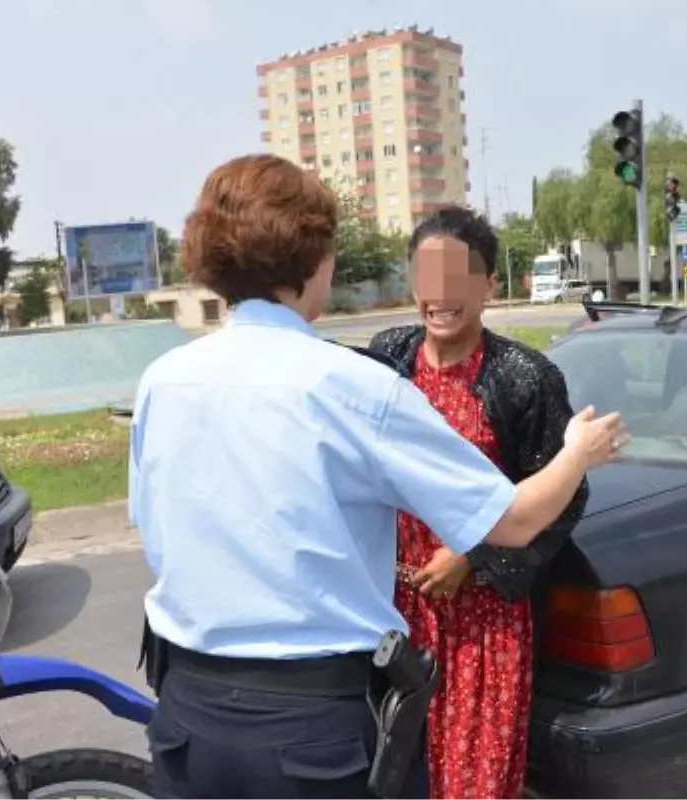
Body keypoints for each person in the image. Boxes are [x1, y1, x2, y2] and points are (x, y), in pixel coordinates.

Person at [129, 154, 628, 800]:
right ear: (316, 260)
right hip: (309, 729)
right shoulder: (358, 384)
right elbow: (515, 519)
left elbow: (154, 528)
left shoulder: (164, 381)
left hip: (188, 717)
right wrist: (579, 451)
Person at [368, 206, 586, 800]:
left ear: (490, 285)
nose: (440, 296)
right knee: (392, 778)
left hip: (481, 629)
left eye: (458, 278)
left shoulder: (524, 378)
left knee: (472, 785)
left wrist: (473, 555)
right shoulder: (387, 359)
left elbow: (564, 497)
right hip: (394, 618)